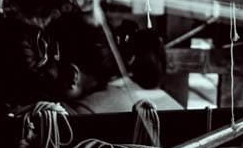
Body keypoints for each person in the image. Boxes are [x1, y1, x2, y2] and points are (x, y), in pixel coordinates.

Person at [46, 13, 182, 114]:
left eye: (51, 65)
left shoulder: (83, 113)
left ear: (73, 75)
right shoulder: (164, 100)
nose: (47, 73)